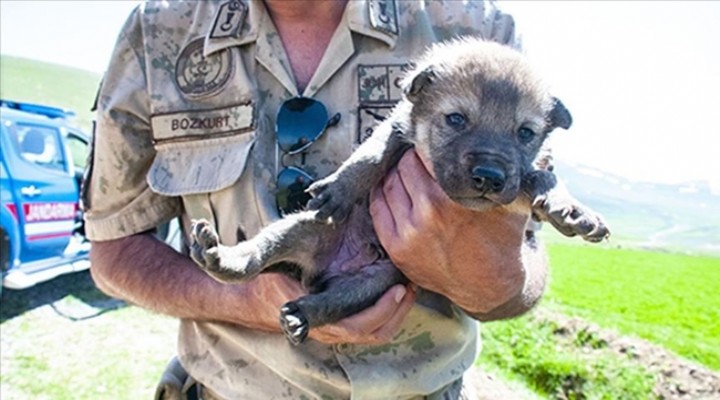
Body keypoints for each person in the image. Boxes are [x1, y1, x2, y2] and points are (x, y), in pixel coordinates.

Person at [84, 0, 548, 398]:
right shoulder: (160, 32)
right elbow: (114, 250)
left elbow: (522, 277)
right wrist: (249, 301)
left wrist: (485, 278)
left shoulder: (475, 33)